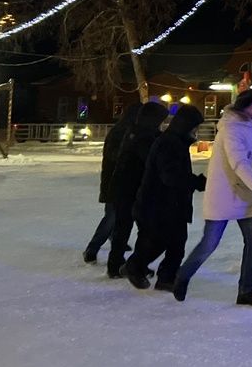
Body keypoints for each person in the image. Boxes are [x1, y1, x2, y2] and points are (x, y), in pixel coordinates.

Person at [173, 87, 252, 305]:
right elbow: (239, 162)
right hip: (224, 193)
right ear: (245, 107)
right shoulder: (231, 128)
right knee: (210, 243)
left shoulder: (247, 126)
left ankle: (246, 291)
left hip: (243, 194)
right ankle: (181, 276)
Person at [125, 104, 206, 291]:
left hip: (170, 205)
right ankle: (135, 266)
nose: (196, 131)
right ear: (185, 125)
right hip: (158, 205)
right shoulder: (169, 143)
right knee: (157, 242)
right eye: (194, 127)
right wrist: (197, 183)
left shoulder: (176, 141)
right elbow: (170, 176)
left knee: (176, 242)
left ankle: (166, 277)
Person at [105, 101, 170, 279]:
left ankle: (131, 263)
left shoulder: (139, 132)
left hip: (130, 188)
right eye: (160, 120)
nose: (162, 124)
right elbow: (150, 160)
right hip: (129, 188)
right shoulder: (141, 136)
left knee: (134, 228)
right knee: (129, 227)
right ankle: (120, 264)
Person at [83, 102, 142, 264]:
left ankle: (116, 240)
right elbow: (113, 155)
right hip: (114, 182)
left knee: (118, 216)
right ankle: (92, 248)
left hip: (119, 181)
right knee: (112, 216)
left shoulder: (128, 130)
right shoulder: (122, 132)